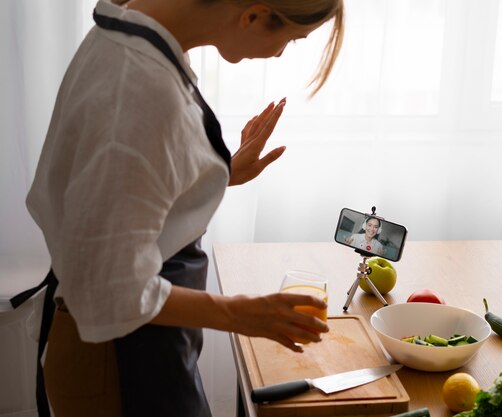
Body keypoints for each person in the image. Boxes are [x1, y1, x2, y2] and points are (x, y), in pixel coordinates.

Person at [18, 0, 344, 416]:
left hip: (139, 344)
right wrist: (242, 313)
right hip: (118, 358)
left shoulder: (134, 28)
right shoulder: (139, 88)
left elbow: (122, 190)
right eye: (292, 39)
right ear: (255, 15)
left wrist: (221, 171)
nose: (280, 53)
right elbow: (111, 288)